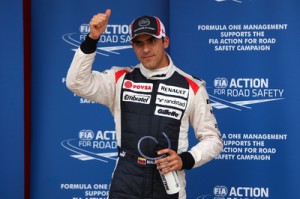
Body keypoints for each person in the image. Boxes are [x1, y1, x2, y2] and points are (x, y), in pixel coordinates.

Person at [66, 9, 223, 199]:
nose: (146, 49)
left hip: (168, 183)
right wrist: (92, 38)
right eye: (138, 43)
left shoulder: (192, 87)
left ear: (165, 41)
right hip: (126, 181)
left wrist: (185, 159)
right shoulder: (119, 79)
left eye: (152, 41)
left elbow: (213, 140)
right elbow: (76, 83)